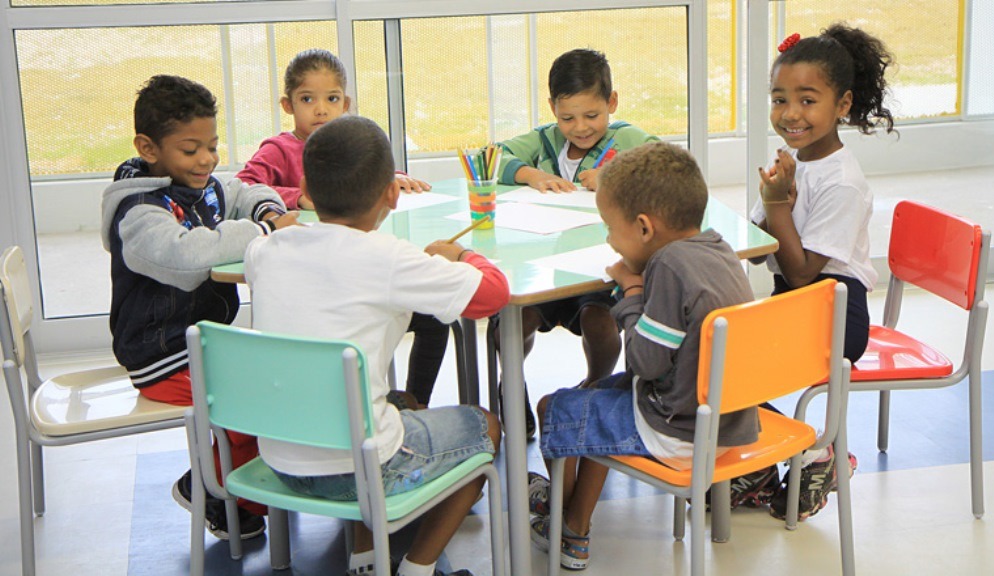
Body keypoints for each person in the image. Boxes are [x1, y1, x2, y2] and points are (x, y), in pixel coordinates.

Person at [245, 115, 510, 576]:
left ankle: (366, 559)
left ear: (305, 188)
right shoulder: (389, 258)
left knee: (397, 403)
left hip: (278, 461)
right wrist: (463, 255)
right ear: (392, 193)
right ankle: (417, 568)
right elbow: (493, 294)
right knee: (485, 426)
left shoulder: (265, 251)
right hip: (360, 469)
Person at [525, 142, 758, 571]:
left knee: (552, 407)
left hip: (677, 429)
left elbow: (645, 364)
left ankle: (568, 528)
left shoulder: (668, 267)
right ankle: (572, 516)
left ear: (644, 228)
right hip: (728, 419)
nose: (609, 239)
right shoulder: (717, 248)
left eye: (610, 228)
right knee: (595, 399)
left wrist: (631, 292)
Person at [100, 74, 301, 540]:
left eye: (212, 146)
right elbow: (186, 258)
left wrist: (267, 211)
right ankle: (214, 490)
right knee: (250, 404)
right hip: (162, 355)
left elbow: (242, 191)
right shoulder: (138, 212)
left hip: (202, 342)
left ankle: (235, 487)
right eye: (191, 150)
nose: (207, 160)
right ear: (148, 149)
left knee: (277, 377)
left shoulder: (198, 185)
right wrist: (263, 232)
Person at [236, 48, 448, 408]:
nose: (321, 110)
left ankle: (416, 402)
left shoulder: (352, 144)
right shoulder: (279, 149)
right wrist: (297, 198)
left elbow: (366, 173)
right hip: (312, 276)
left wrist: (390, 178)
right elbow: (244, 186)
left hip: (354, 270)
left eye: (332, 99)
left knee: (432, 318)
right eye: (307, 99)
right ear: (288, 105)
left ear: (345, 103)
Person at [745, 23, 896, 521]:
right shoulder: (794, 161)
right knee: (707, 356)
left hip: (834, 313)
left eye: (807, 100)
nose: (791, 113)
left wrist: (776, 205)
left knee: (722, 365)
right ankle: (764, 465)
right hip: (797, 302)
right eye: (779, 99)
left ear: (842, 104)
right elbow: (760, 245)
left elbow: (803, 272)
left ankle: (816, 448)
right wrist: (767, 208)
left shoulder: (842, 181)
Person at [494, 48, 659, 439]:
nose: (580, 128)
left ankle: (594, 388)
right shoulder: (544, 141)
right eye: (567, 118)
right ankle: (512, 386)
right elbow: (490, 158)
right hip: (545, 267)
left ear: (612, 102)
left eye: (592, 115)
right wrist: (532, 174)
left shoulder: (626, 138)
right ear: (553, 108)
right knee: (512, 320)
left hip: (599, 268)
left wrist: (614, 174)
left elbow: (663, 165)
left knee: (598, 321)